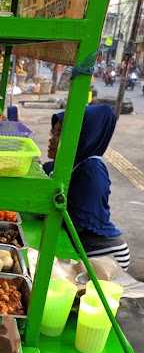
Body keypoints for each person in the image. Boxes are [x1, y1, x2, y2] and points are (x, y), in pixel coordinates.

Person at [45, 104, 130, 270]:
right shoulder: (64, 166)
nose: (52, 139)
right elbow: (48, 172)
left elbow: (75, 222)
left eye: (60, 134)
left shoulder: (92, 171)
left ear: (83, 137)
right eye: (53, 133)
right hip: (82, 248)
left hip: (104, 254)